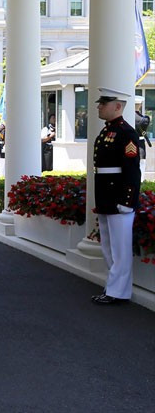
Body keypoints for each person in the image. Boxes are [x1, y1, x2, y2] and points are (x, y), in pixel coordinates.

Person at [91, 87, 141, 305]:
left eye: (104, 103)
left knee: (120, 249)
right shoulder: (107, 131)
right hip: (106, 196)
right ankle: (113, 287)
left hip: (119, 197)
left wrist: (127, 200)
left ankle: (118, 292)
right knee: (109, 246)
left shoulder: (126, 133)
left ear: (118, 106)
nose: (99, 106)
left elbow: (132, 170)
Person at [134, 95, 150, 181]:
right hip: (140, 146)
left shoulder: (126, 118)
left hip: (128, 144)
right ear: (140, 105)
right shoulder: (145, 119)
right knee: (141, 166)